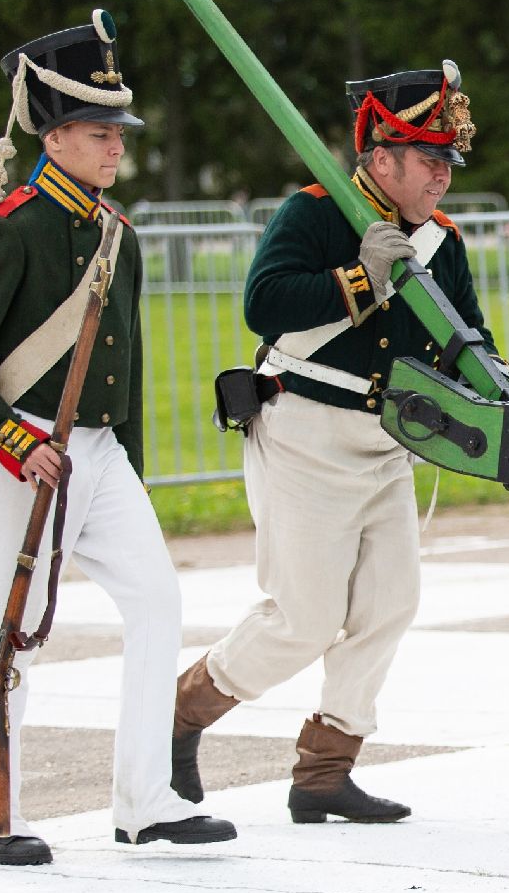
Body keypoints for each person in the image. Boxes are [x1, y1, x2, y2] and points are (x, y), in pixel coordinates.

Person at [0, 12, 235, 865]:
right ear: (58, 135)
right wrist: (12, 445)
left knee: (157, 601)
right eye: (102, 134)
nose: (116, 148)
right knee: (3, 633)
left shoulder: (116, 234)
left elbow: (125, 364)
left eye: (118, 134)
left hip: (98, 456)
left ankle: (144, 801)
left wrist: (127, 465)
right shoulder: (11, 230)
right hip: (24, 452)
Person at [170, 61, 490, 825]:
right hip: (305, 434)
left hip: (387, 441)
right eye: (429, 158)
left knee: (390, 605)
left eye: (448, 160)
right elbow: (265, 305)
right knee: (303, 618)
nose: (442, 176)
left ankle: (324, 772)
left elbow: (466, 337)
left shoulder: (442, 240)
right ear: (381, 158)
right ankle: (178, 718)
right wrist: (360, 276)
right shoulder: (315, 212)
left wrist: (495, 385)